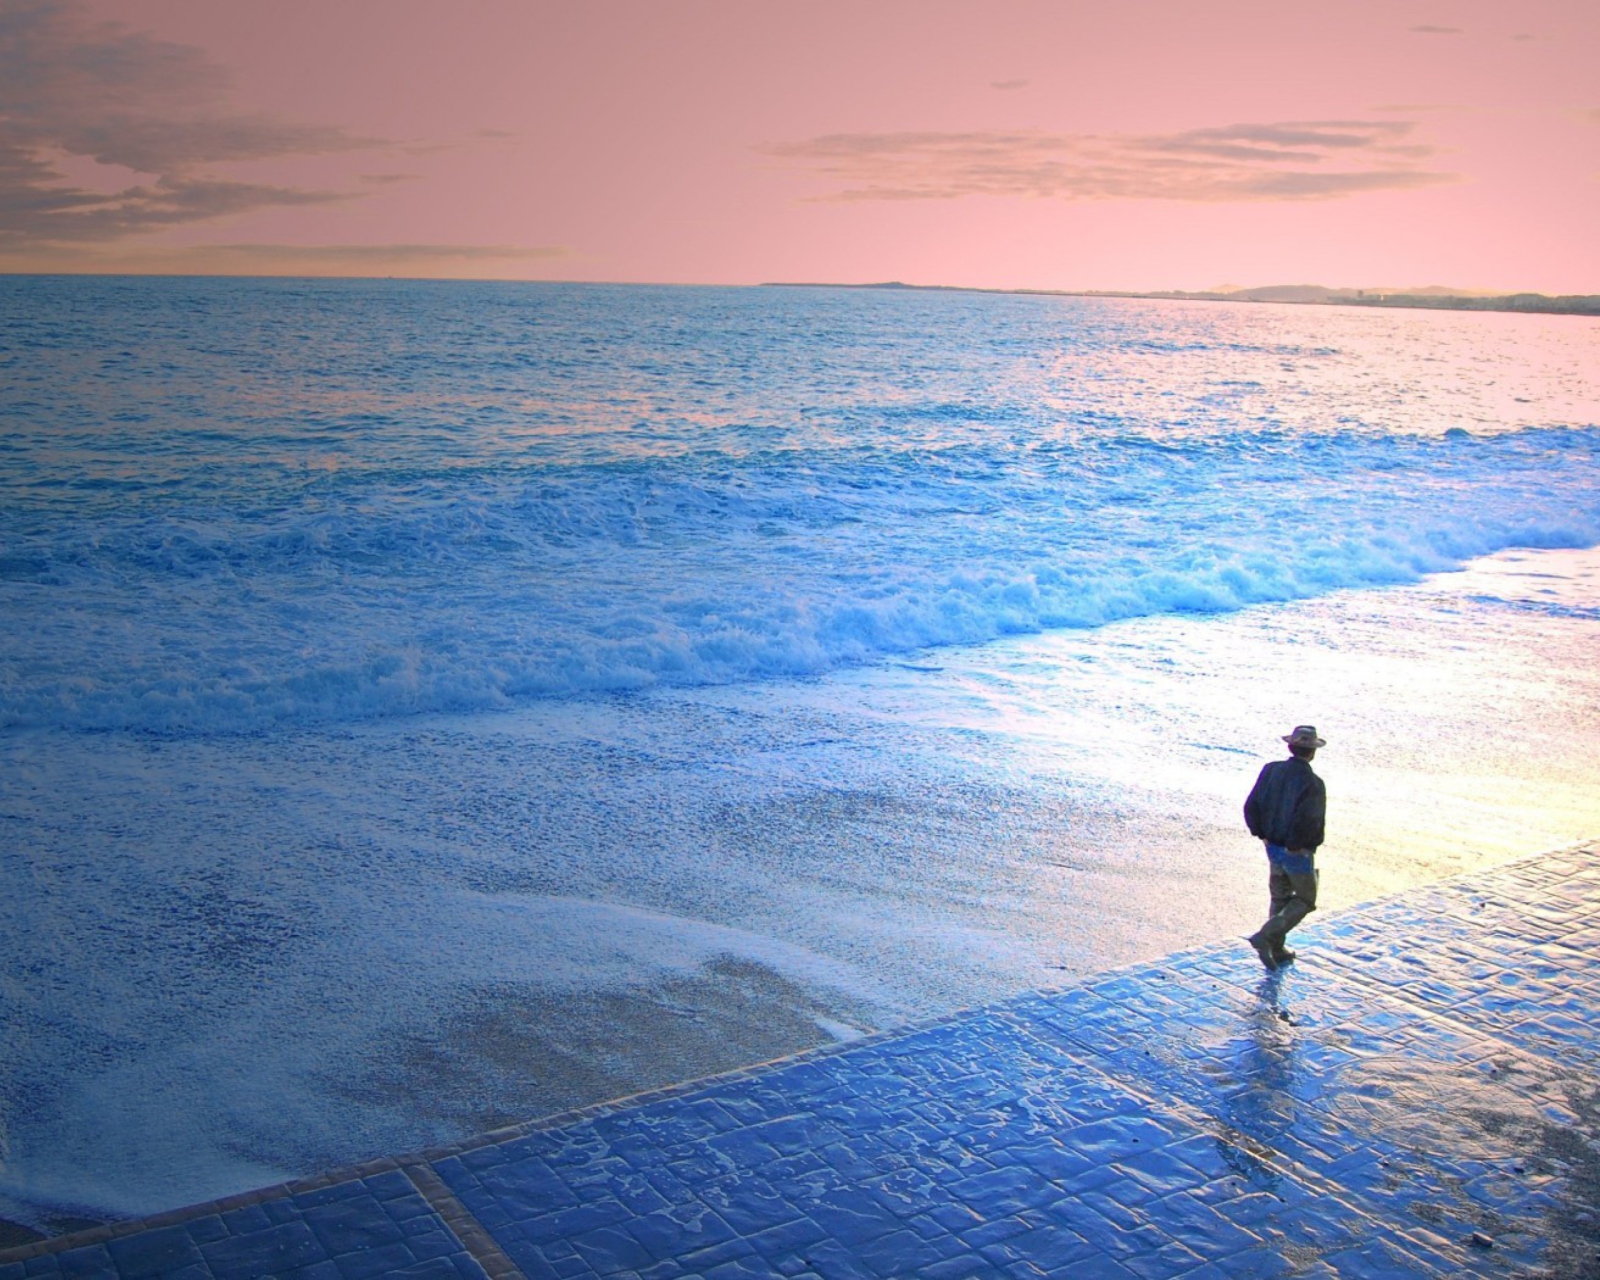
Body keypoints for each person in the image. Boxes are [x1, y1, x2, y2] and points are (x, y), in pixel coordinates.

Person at [1243, 725, 1327, 970]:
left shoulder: (1271, 770)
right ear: (1311, 753)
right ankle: (1266, 936)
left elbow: (1251, 805)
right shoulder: (1313, 783)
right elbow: (1309, 820)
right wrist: (1298, 846)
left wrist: (1261, 834)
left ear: (1290, 747)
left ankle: (1277, 949)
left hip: (1272, 845)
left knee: (1280, 896)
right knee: (1305, 899)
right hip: (1296, 851)